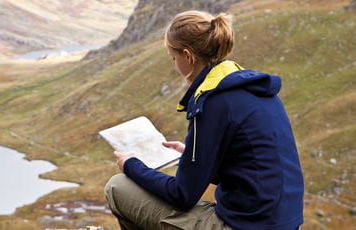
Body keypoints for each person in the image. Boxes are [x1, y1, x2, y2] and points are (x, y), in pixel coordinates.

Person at [105, 10, 304, 230]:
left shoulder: (212, 100)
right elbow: (253, 171)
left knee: (117, 187)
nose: (175, 65)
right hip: (283, 224)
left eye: (174, 58)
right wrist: (194, 156)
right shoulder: (254, 88)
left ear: (188, 56)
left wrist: (131, 165)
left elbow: (182, 195)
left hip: (244, 227)